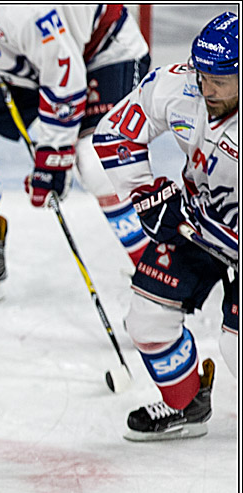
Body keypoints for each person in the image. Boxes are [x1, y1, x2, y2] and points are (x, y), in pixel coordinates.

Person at [0, 5, 151, 308]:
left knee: (97, 163)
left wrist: (54, 156)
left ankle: (159, 270)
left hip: (105, 52)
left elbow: (64, 77)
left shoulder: (24, 10)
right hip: (32, 60)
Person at [92, 12, 238, 440]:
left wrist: (208, 228)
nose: (207, 88)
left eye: (221, 80)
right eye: (203, 74)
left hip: (221, 230)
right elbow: (115, 133)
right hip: (200, 220)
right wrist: (147, 193)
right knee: (147, 322)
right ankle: (187, 405)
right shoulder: (177, 86)